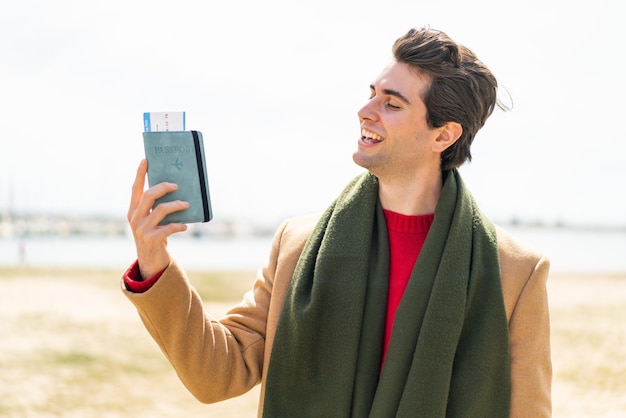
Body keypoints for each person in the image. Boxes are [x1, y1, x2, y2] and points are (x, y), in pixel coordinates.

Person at [123, 26, 551, 417]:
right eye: (371, 93)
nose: (365, 110)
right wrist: (154, 263)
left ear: (443, 135)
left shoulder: (514, 272)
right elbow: (218, 374)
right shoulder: (298, 245)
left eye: (391, 103)